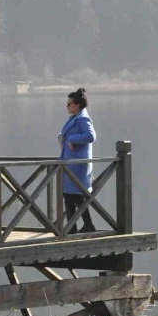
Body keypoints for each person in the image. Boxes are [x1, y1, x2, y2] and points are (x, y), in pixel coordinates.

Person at [59, 87, 97, 233]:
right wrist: (61, 138)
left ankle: (83, 226)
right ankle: (74, 227)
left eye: (69, 103)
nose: (67, 106)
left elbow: (91, 136)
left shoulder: (83, 119)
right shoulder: (74, 118)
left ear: (77, 105)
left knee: (74, 196)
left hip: (77, 164)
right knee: (69, 195)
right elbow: (66, 134)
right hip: (70, 162)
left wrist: (72, 140)